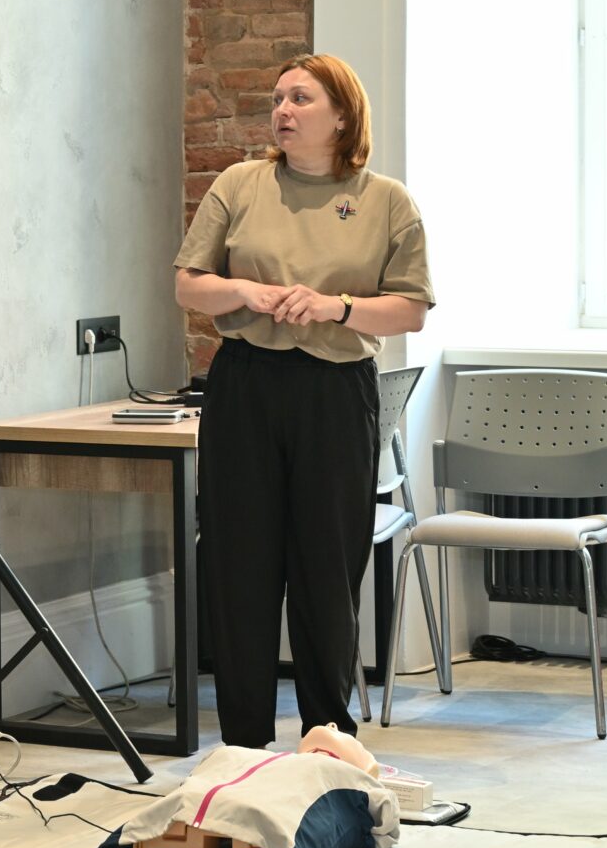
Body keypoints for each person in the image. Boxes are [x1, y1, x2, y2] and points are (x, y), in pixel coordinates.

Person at [173, 52, 433, 749]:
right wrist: (246, 292)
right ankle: (244, 744)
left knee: (326, 570)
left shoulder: (386, 201)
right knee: (240, 566)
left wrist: (334, 305)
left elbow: (410, 310)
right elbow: (189, 284)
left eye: (301, 99)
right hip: (246, 385)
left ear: (342, 116)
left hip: (335, 393)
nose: (282, 111)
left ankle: (327, 739)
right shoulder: (240, 183)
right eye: (277, 99)